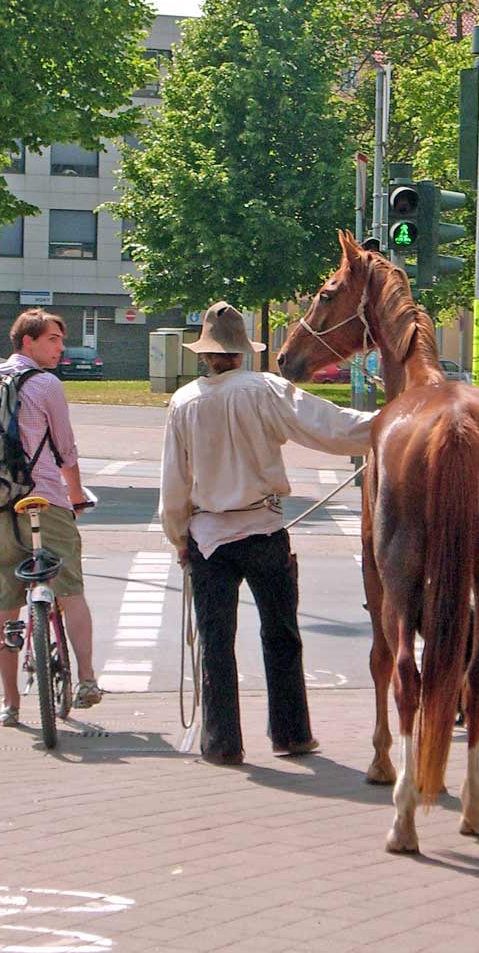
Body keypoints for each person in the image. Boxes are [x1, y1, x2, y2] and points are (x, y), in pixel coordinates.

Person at [160, 301, 375, 765]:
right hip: (263, 531)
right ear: (242, 352)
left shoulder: (183, 402)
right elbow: (331, 427)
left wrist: (179, 536)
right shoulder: (265, 390)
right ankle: (291, 734)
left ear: (204, 354)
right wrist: (392, 424)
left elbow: (174, 482)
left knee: (216, 643)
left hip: (208, 537)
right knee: (281, 635)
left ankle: (221, 743)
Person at [0, 308, 103, 726]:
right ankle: (86, 678)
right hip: (44, 499)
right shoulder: (46, 384)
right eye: (52, 340)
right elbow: (66, 449)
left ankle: (10, 703)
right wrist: (76, 496)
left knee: (5, 603)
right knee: (69, 589)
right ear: (26, 341)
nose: (60, 348)